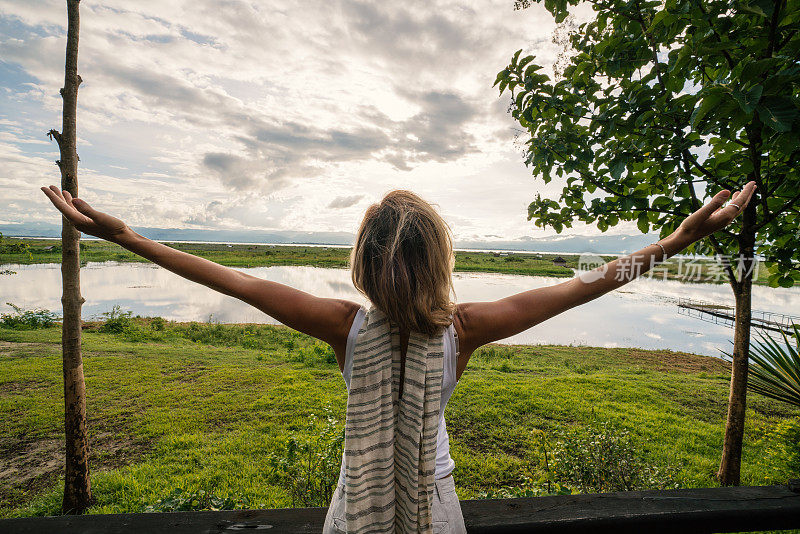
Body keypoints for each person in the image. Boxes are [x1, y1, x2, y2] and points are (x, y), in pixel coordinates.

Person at [41, 181, 756, 533]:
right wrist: (678, 241)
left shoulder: (342, 325)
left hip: (355, 503)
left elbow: (225, 278)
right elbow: (585, 286)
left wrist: (126, 235)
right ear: (441, 258)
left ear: (362, 265)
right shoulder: (466, 329)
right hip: (434, 507)